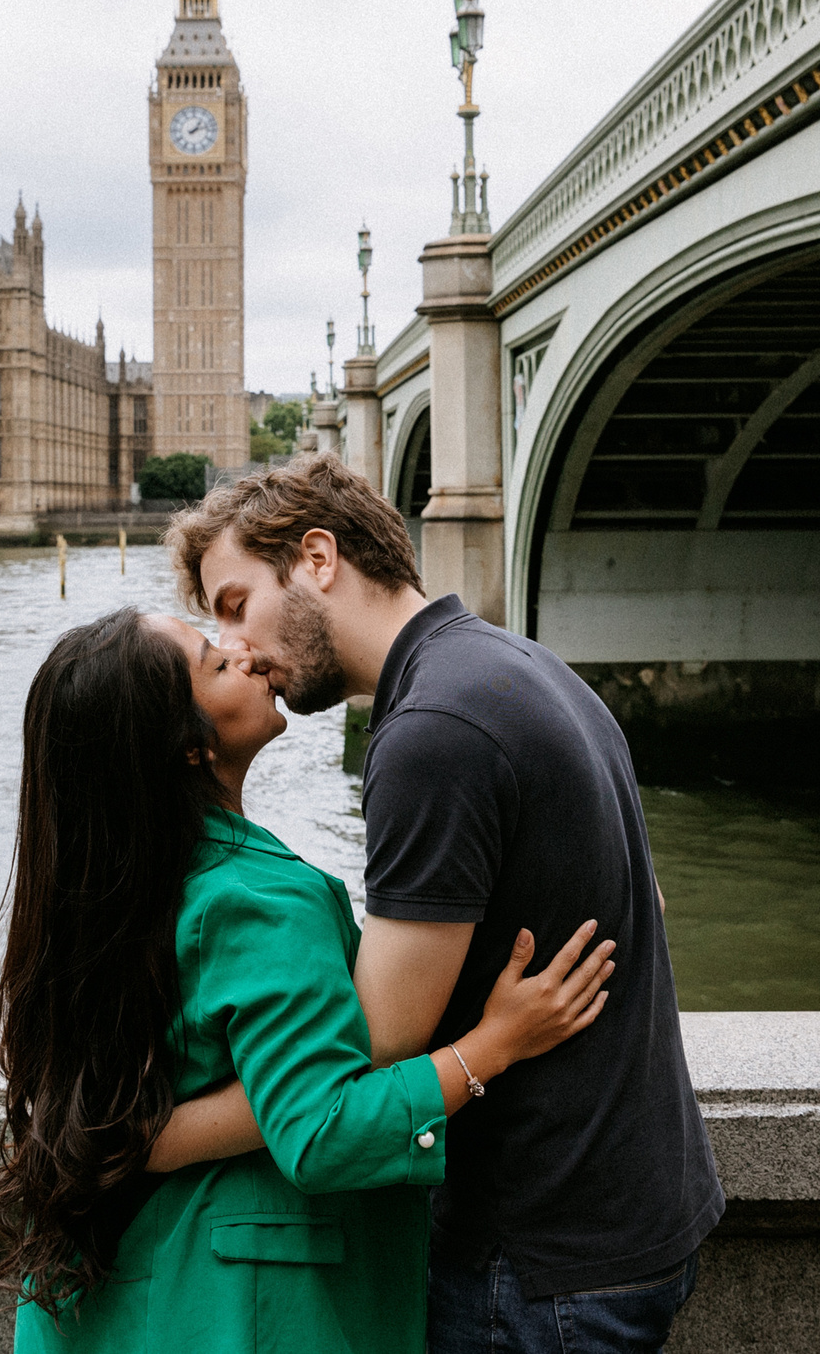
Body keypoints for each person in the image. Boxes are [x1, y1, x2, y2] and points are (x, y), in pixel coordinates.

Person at [167, 455, 723, 1354]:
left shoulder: (431, 732)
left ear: (317, 557)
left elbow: (365, 1049)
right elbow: (644, 895)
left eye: (234, 603)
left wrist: (154, 1136)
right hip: (636, 1209)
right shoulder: (518, 663)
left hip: (538, 1259)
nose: (237, 646)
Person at [0, 604, 617, 1353]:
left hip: (121, 1298)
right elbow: (322, 1131)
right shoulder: (259, 901)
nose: (245, 652)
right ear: (187, 747)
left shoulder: (110, 889)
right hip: (242, 1307)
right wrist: (494, 1045)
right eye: (215, 659)